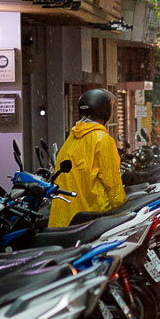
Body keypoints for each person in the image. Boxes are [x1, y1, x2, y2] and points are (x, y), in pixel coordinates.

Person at [47, 88, 126, 228]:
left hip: (64, 220)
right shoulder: (102, 140)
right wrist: (122, 213)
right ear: (105, 112)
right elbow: (112, 183)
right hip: (91, 218)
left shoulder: (72, 138)